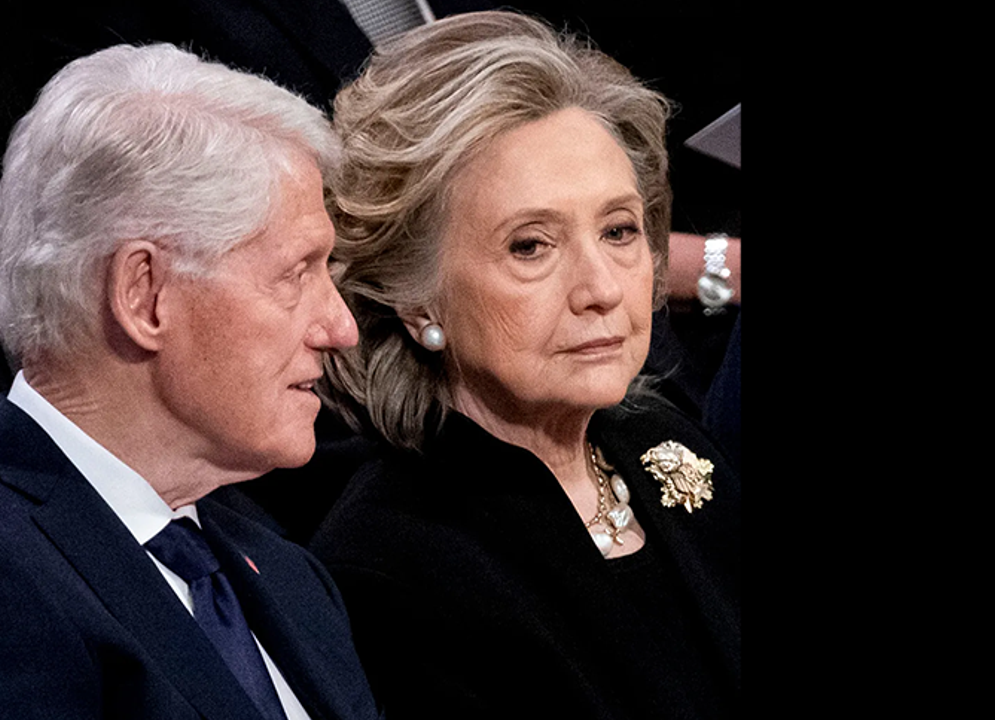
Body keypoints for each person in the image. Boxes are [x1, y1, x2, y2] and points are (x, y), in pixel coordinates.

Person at [309, 12, 739, 719]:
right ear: (415, 298)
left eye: (619, 231)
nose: (601, 289)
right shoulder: (392, 567)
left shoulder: (663, 439)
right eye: (531, 246)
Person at [0, 43, 381, 720]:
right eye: (296, 274)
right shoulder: (4, 576)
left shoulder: (290, 579)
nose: (340, 327)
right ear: (145, 295)